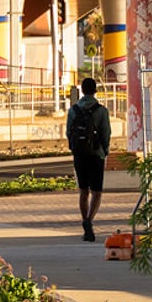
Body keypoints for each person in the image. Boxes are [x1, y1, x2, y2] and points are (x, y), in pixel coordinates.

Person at [66, 77, 111, 241]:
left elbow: (68, 132)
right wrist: (104, 151)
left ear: (82, 90)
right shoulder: (101, 111)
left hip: (79, 155)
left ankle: (84, 220)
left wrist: (75, 149)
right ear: (95, 90)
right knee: (96, 192)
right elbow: (106, 133)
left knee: (83, 190)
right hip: (96, 154)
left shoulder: (73, 110)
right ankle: (89, 221)